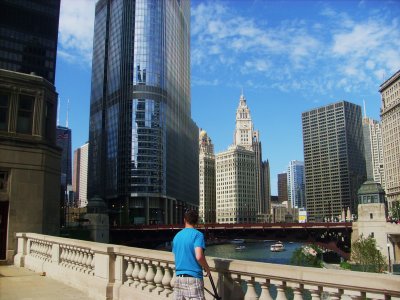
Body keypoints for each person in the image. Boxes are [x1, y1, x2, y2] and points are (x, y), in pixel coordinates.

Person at [172, 210, 211, 300]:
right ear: (196, 221)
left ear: (184, 220)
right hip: (193, 278)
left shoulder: (177, 236)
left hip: (178, 278)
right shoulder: (198, 235)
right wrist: (207, 268)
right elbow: (199, 256)